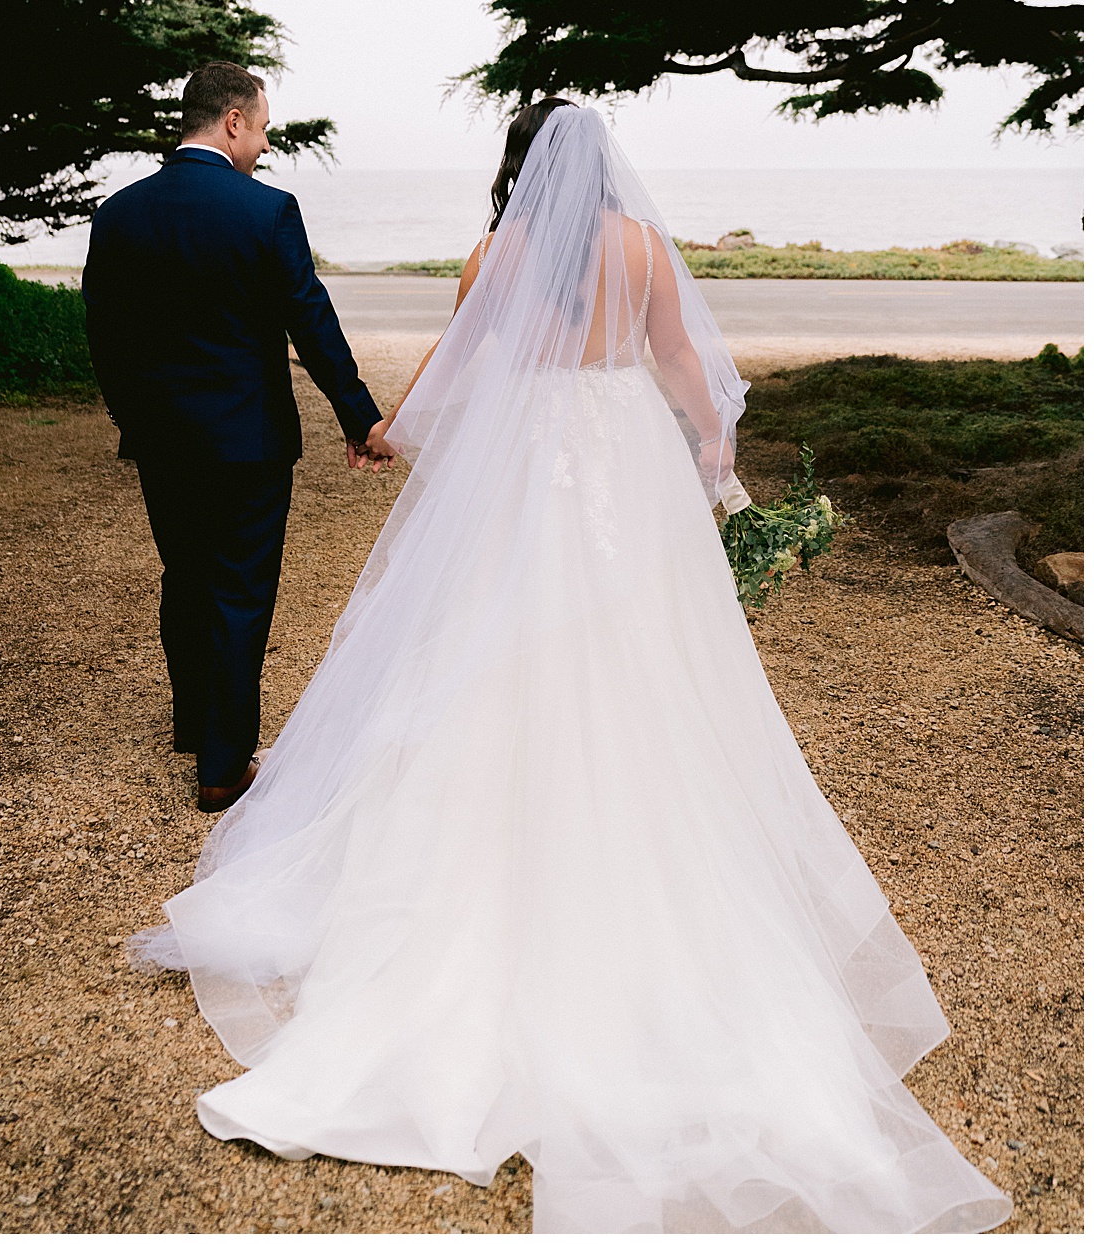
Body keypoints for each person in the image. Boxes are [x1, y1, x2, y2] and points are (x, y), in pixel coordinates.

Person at [129, 102, 1010, 1234]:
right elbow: (684, 359)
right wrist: (712, 442)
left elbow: (458, 367)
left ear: (519, 169)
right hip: (621, 462)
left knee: (486, 651)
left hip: (525, 474)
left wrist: (386, 432)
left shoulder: (496, 252)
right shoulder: (640, 246)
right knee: (645, 655)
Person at [82, 62, 390, 814]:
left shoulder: (120, 212)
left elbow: (103, 332)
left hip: (161, 440)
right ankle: (222, 766)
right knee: (240, 591)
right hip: (247, 443)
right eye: (260, 128)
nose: (261, 143)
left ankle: (195, 722)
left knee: (185, 574)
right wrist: (362, 419)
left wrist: (134, 418)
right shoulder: (266, 210)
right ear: (231, 121)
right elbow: (310, 324)